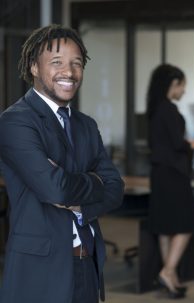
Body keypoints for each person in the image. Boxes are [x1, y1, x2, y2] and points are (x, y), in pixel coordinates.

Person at [0, 24, 124, 303]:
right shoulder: (16, 121)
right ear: (34, 67)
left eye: (76, 64)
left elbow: (115, 188)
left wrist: (80, 194)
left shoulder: (86, 126)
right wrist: (95, 182)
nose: (69, 72)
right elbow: (54, 188)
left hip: (87, 267)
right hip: (39, 272)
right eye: (56, 62)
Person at [147, 64, 194, 299]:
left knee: (165, 227)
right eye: (182, 86)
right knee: (186, 224)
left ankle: (171, 279)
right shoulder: (169, 110)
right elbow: (177, 144)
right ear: (173, 85)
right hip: (174, 175)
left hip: (160, 175)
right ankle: (168, 270)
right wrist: (193, 144)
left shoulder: (155, 109)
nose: (183, 91)